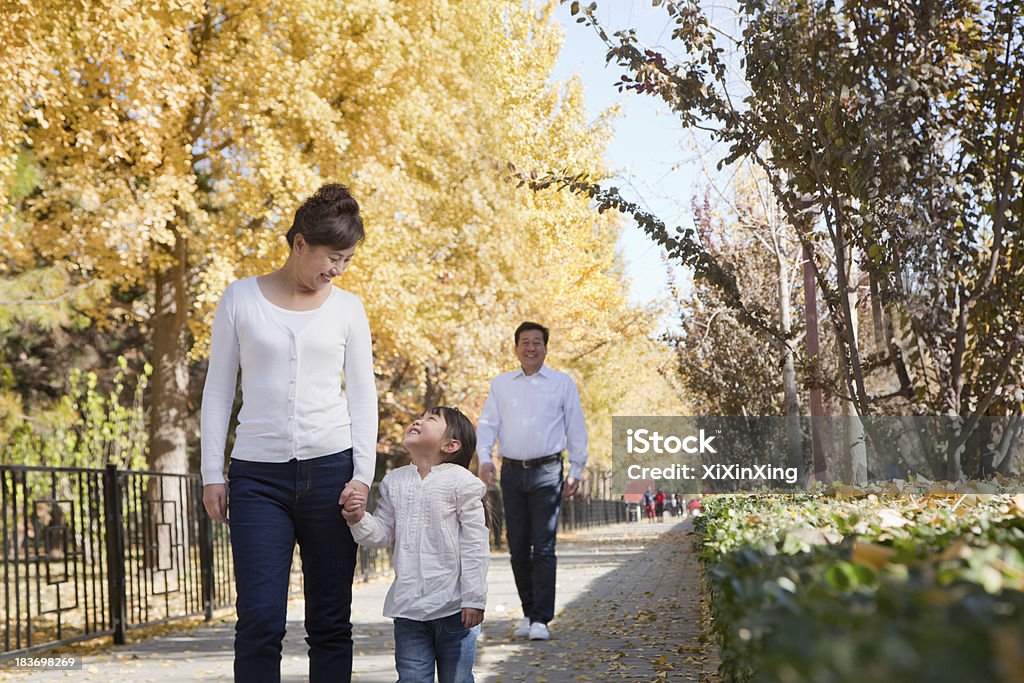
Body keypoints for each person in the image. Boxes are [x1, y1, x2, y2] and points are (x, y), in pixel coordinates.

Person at [200, 184, 378, 683]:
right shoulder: (239, 298)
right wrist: (212, 470)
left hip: (331, 474)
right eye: (332, 257)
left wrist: (362, 476)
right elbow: (217, 390)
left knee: (329, 622)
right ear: (300, 244)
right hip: (258, 479)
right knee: (258, 619)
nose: (337, 269)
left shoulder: (349, 309)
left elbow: (364, 396)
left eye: (346, 260)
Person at [342, 407, 488, 683]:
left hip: (455, 608)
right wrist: (358, 518)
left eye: (430, 419)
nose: (418, 421)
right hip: (409, 608)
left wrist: (474, 597)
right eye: (419, 417)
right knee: (411, 679)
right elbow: (381, 534)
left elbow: (475, 544)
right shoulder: (394, 481)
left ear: (451, 445)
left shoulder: (462, 483)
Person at [476, 322, 588, 642]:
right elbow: (487, 424)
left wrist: (576, 470)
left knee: (544, 546)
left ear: (545, 348)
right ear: (516, 348)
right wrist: (485, 458)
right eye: (524, 342)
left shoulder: (562, 383)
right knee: (517, 547)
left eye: (537, 342)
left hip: (548, 471)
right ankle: (528, 611)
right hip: (511, 471)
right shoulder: (501, 385)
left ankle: (541, 618)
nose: (530, 347)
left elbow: (576, 427)